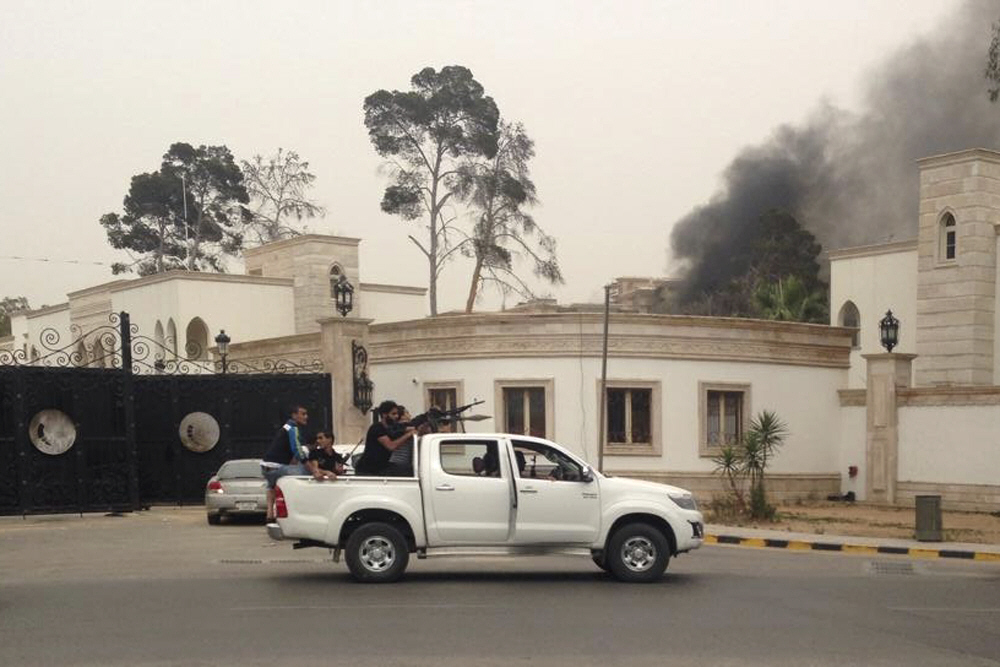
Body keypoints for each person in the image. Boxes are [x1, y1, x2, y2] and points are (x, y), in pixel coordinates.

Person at [261, 404, 310, 522]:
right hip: (277, 467)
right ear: (294, 415)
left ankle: (270, 513)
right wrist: (311, 468)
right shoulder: (293, 428)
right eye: (303, 414)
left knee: (271, 484)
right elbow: (297, 450)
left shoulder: (285, 427)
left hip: (265, 466)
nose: (306, 417)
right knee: (306, 473)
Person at [355, 400, 415, 476]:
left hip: (382, 467)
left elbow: (403, 428)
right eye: (393, 414)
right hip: (369, 470)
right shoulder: (377, 428)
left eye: (397, 414)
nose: (396, 416)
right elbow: (391, 446)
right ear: (384, 415)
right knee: (407, 471)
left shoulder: (390, 428)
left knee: (409, 469)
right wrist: (408, 435)